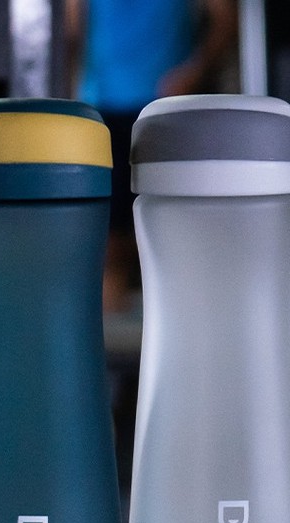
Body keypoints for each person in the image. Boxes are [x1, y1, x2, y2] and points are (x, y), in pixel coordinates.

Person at [67, 0, 238, 312]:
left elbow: (226, 17)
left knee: (174, 237)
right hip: (101, 108)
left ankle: (181, 328)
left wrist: (195, 72)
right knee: (108, 245)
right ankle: (114, 332)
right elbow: (70, 28)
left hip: (166, 107)